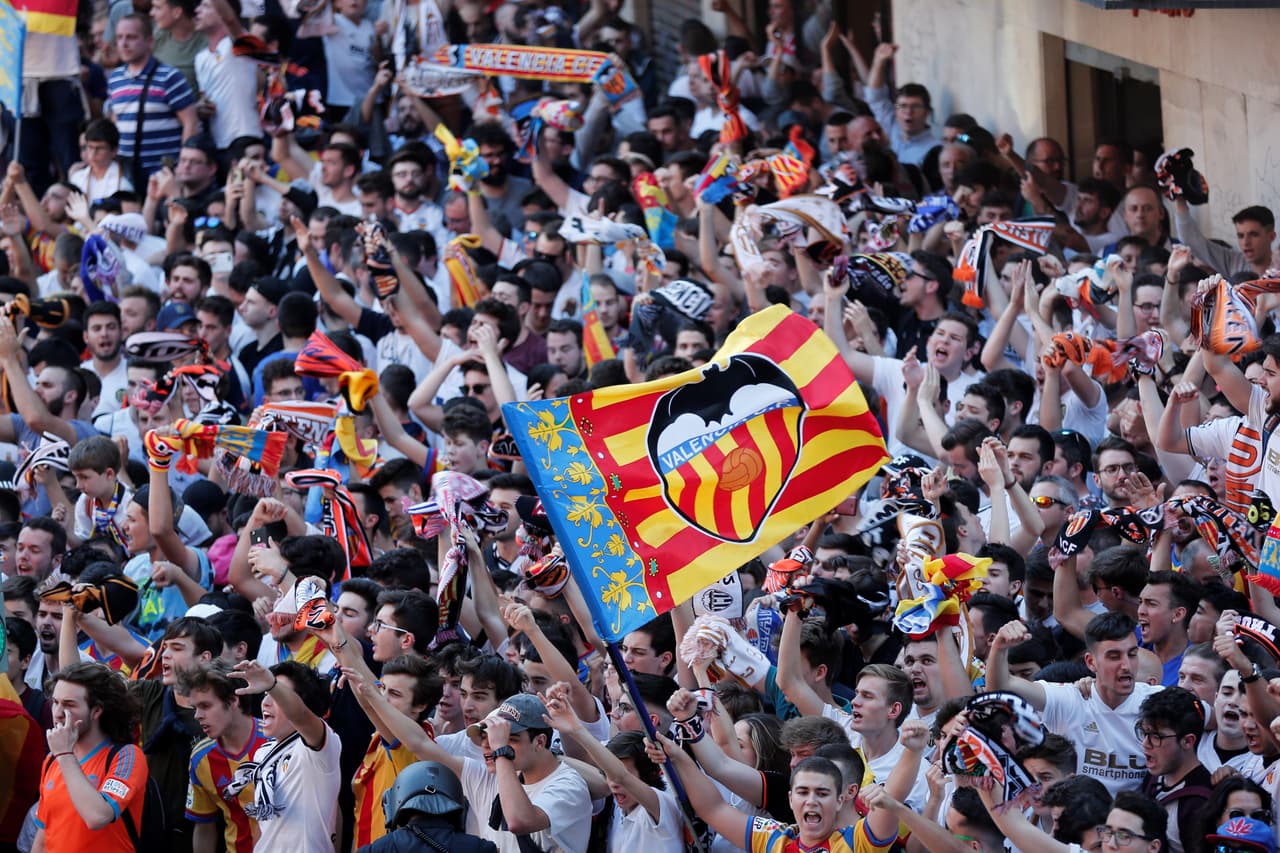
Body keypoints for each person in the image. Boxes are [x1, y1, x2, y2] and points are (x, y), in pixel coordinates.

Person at [230, 659, 343, 851]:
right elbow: (264, 825)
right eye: (266, 694)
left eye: (276, 696)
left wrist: (273, 685)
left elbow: (300, 715)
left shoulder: (322, 746)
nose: (265, 702)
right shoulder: (263, 753)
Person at [34, 662, 149, 851]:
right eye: (55, 702)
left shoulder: (127, 757)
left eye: (69, 705)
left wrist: (65, 754)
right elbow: (43, 837)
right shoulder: (52, 761)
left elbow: (97, 817)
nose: (58, 713)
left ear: (96, 710)